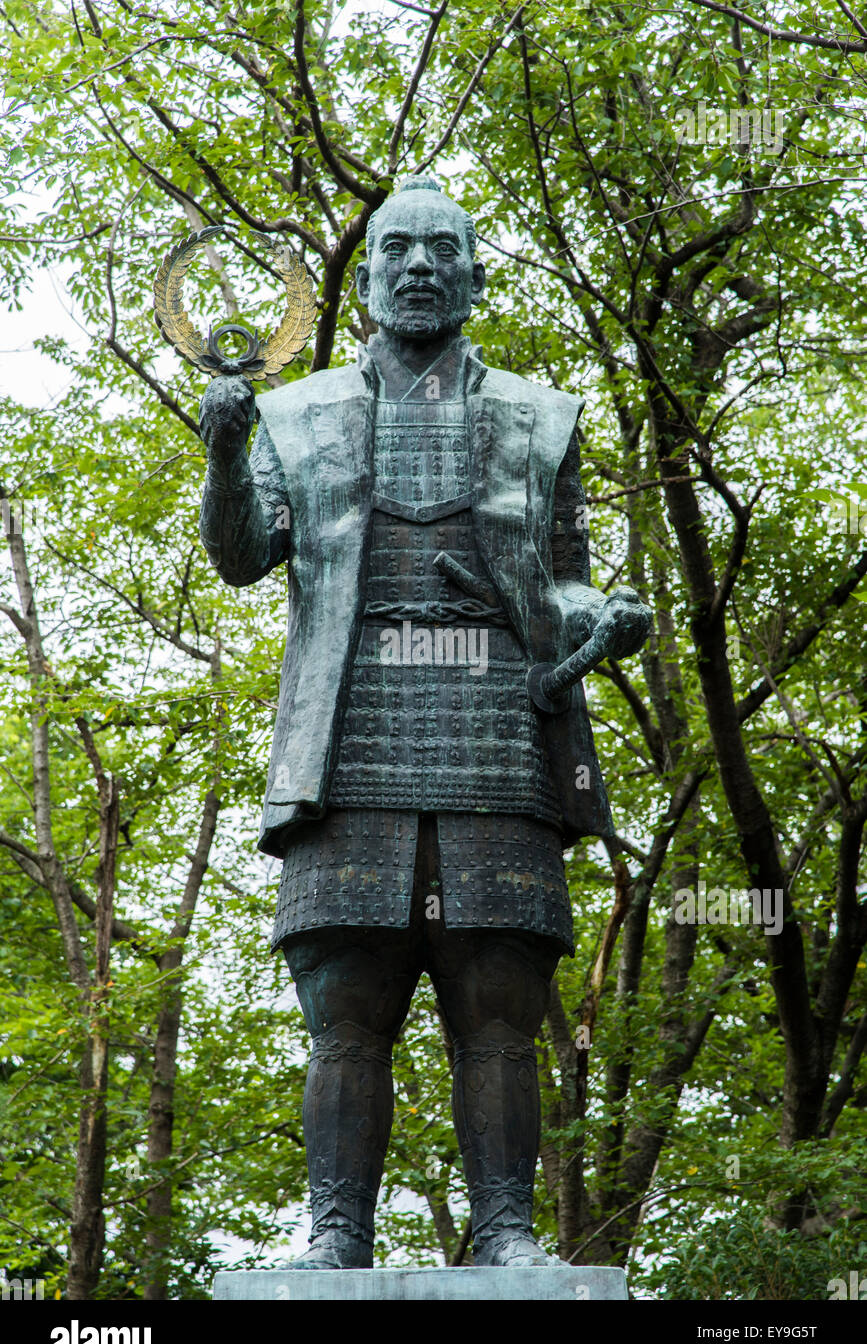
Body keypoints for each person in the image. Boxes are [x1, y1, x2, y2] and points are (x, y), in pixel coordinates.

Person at [198, 175, 651, 1268]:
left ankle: (504, 1229)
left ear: (475, 274)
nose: (415, 266)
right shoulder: (295, 417)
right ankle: (335, 1233)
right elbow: (242, 557)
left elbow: (566, 584)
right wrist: (221, 448)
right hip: (348, 734)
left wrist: (609, 616)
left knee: (499, 1002)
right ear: (367, 284)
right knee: (346, 1003)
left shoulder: (543, 419)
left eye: (440, 250)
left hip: (499, 729)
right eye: (395, 248)